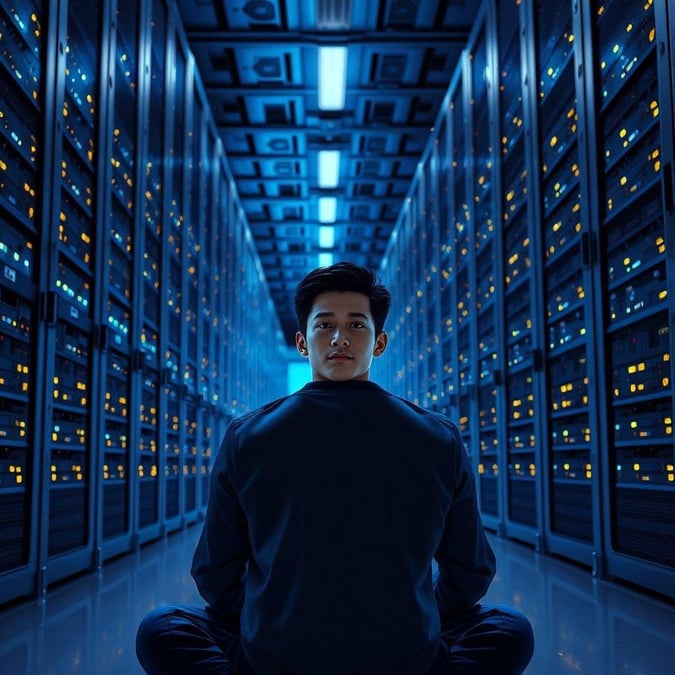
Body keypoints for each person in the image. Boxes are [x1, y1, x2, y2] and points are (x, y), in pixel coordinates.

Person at [136, 261, 534, 675]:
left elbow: (214, 576)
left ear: (378, 343)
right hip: (405, 661)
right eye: (325, 326)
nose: (340, 339)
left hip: (274, 661)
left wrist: (273, 615)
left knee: (161, 628)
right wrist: (409, 613)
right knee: (509, 628)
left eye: (356, 326)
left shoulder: (248, 435)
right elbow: (471, 574)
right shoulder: (438, 436)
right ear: (303, 342)